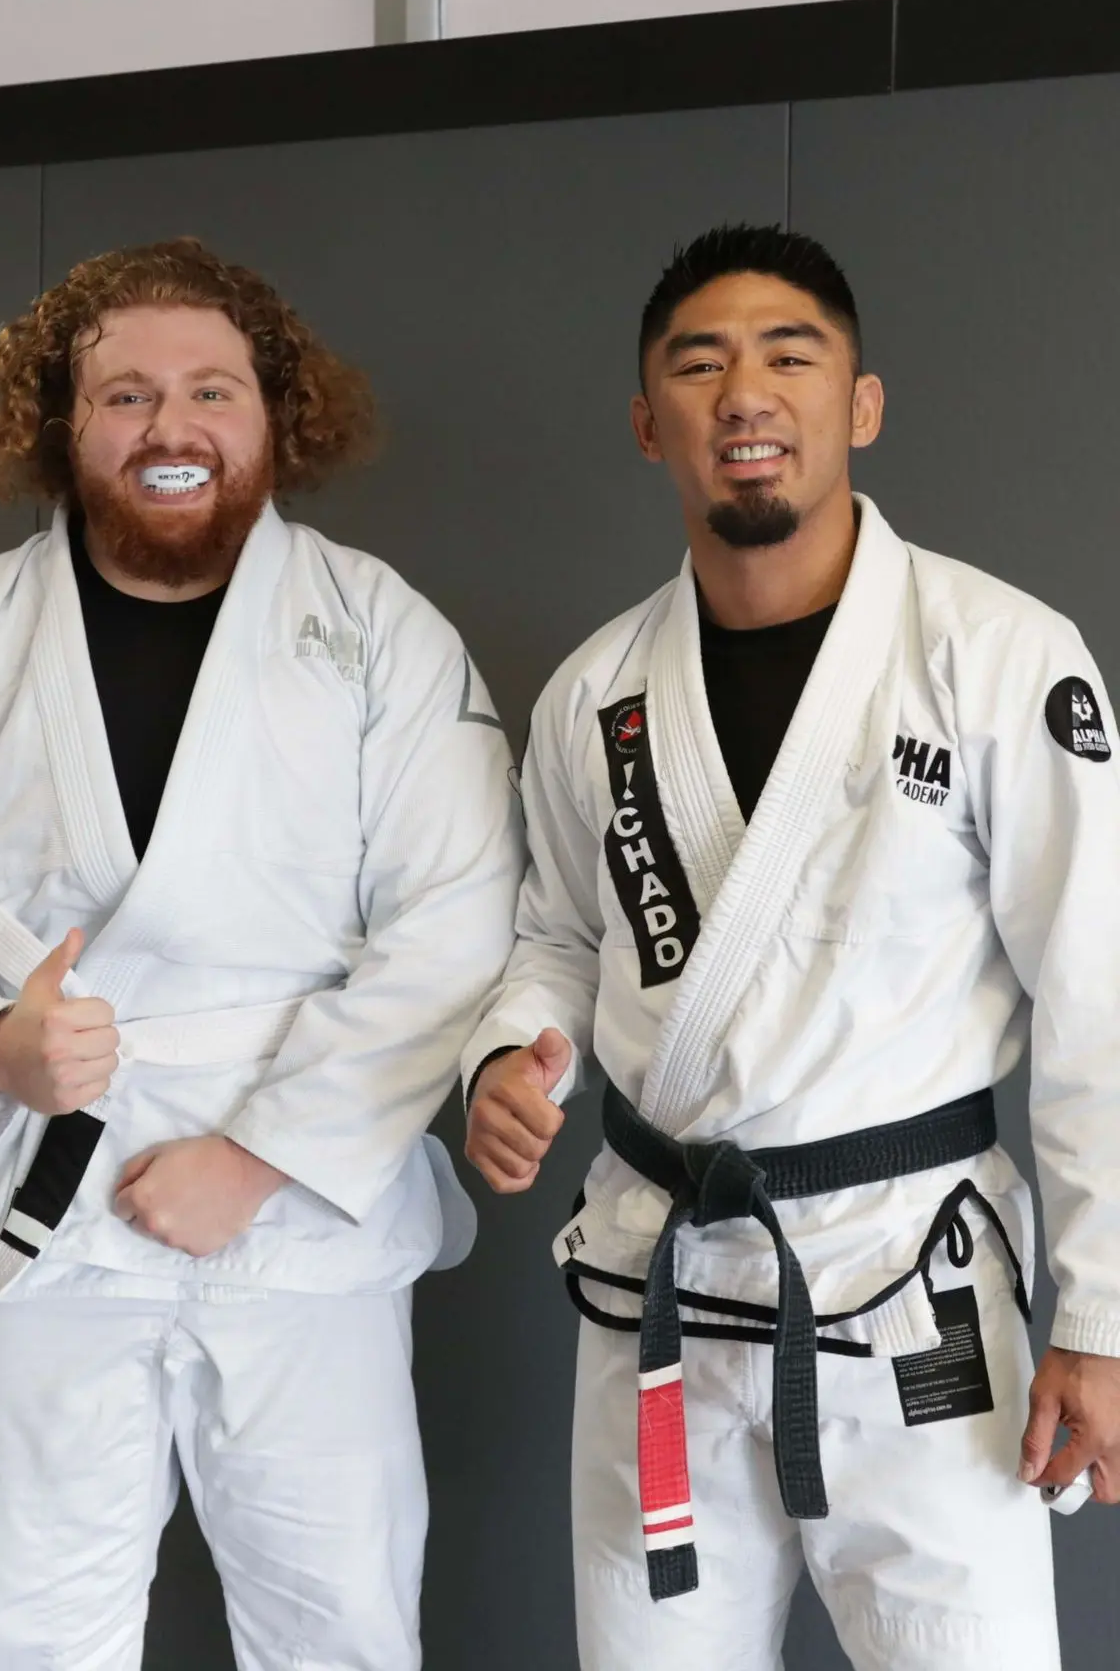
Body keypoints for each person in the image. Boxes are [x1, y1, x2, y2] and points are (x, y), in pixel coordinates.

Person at [0, 238, 523, 1669]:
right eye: (123, 397)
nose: (170, 429)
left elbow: (452, 925)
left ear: (276, 416)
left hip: (306, 1221)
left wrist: (256, 1159)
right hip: (43, 1203)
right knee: (26, 1630)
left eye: (211, 392)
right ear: (60, 427)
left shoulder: (381, 636)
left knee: (341, 1631)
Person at [463, 223, 1120, 1671]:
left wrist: (1107, 1313)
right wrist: (511, 1052)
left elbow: (1100, 1004)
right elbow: (561, 939)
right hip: (661, 1290)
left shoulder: (999, 656)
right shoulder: (597, 695)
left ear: (861, 407)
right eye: (698, 366)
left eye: (789, 357)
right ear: (651, 426)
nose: (743, 394)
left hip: (915, 1287)